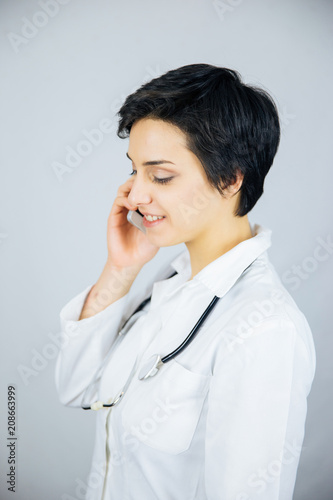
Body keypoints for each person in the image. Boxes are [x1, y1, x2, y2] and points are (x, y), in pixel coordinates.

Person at [55, 64, 316, 500]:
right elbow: (76, 386)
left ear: (231, 177)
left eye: (160, 176)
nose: (135, 195)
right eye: (134, 170)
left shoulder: (264, 328)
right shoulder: (171, 285)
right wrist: (121, 268)